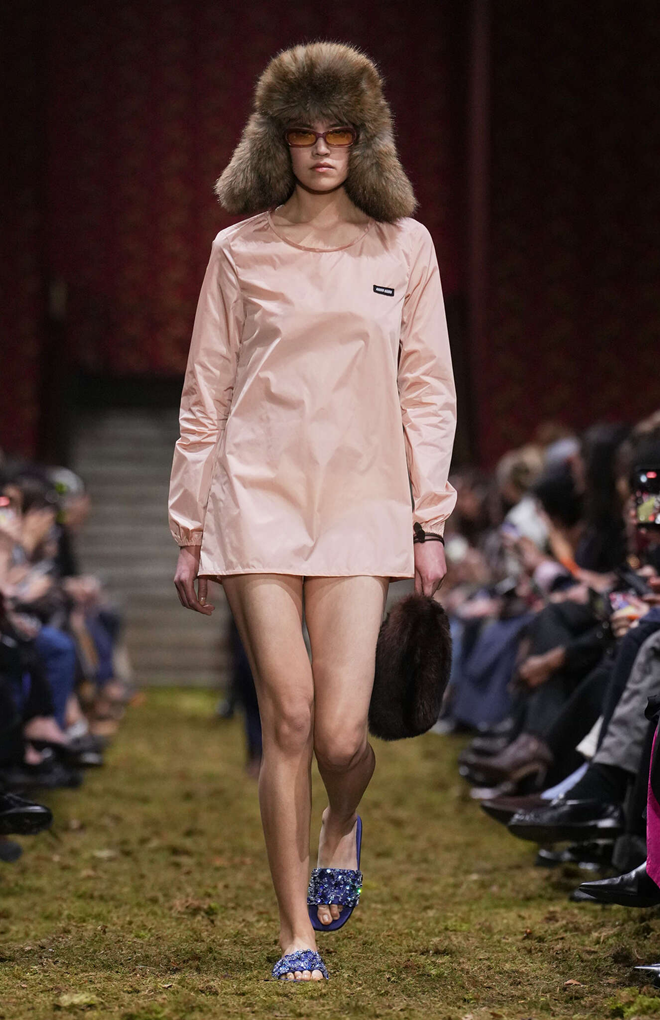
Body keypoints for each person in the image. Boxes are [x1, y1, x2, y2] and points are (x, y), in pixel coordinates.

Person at [168, 41, 457, 982]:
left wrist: (430, 521)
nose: (323, 149)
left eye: (340, 132)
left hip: (364, 502)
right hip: (256, 499)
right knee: (286, 717)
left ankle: (342, 821)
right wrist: (189, 527)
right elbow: (206, 393)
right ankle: (296, 934)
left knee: (341, 736)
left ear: (365, 141)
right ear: (277, 142)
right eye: (305, 133)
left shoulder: (404, 246)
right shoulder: (238, 250)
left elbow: (427, 390)